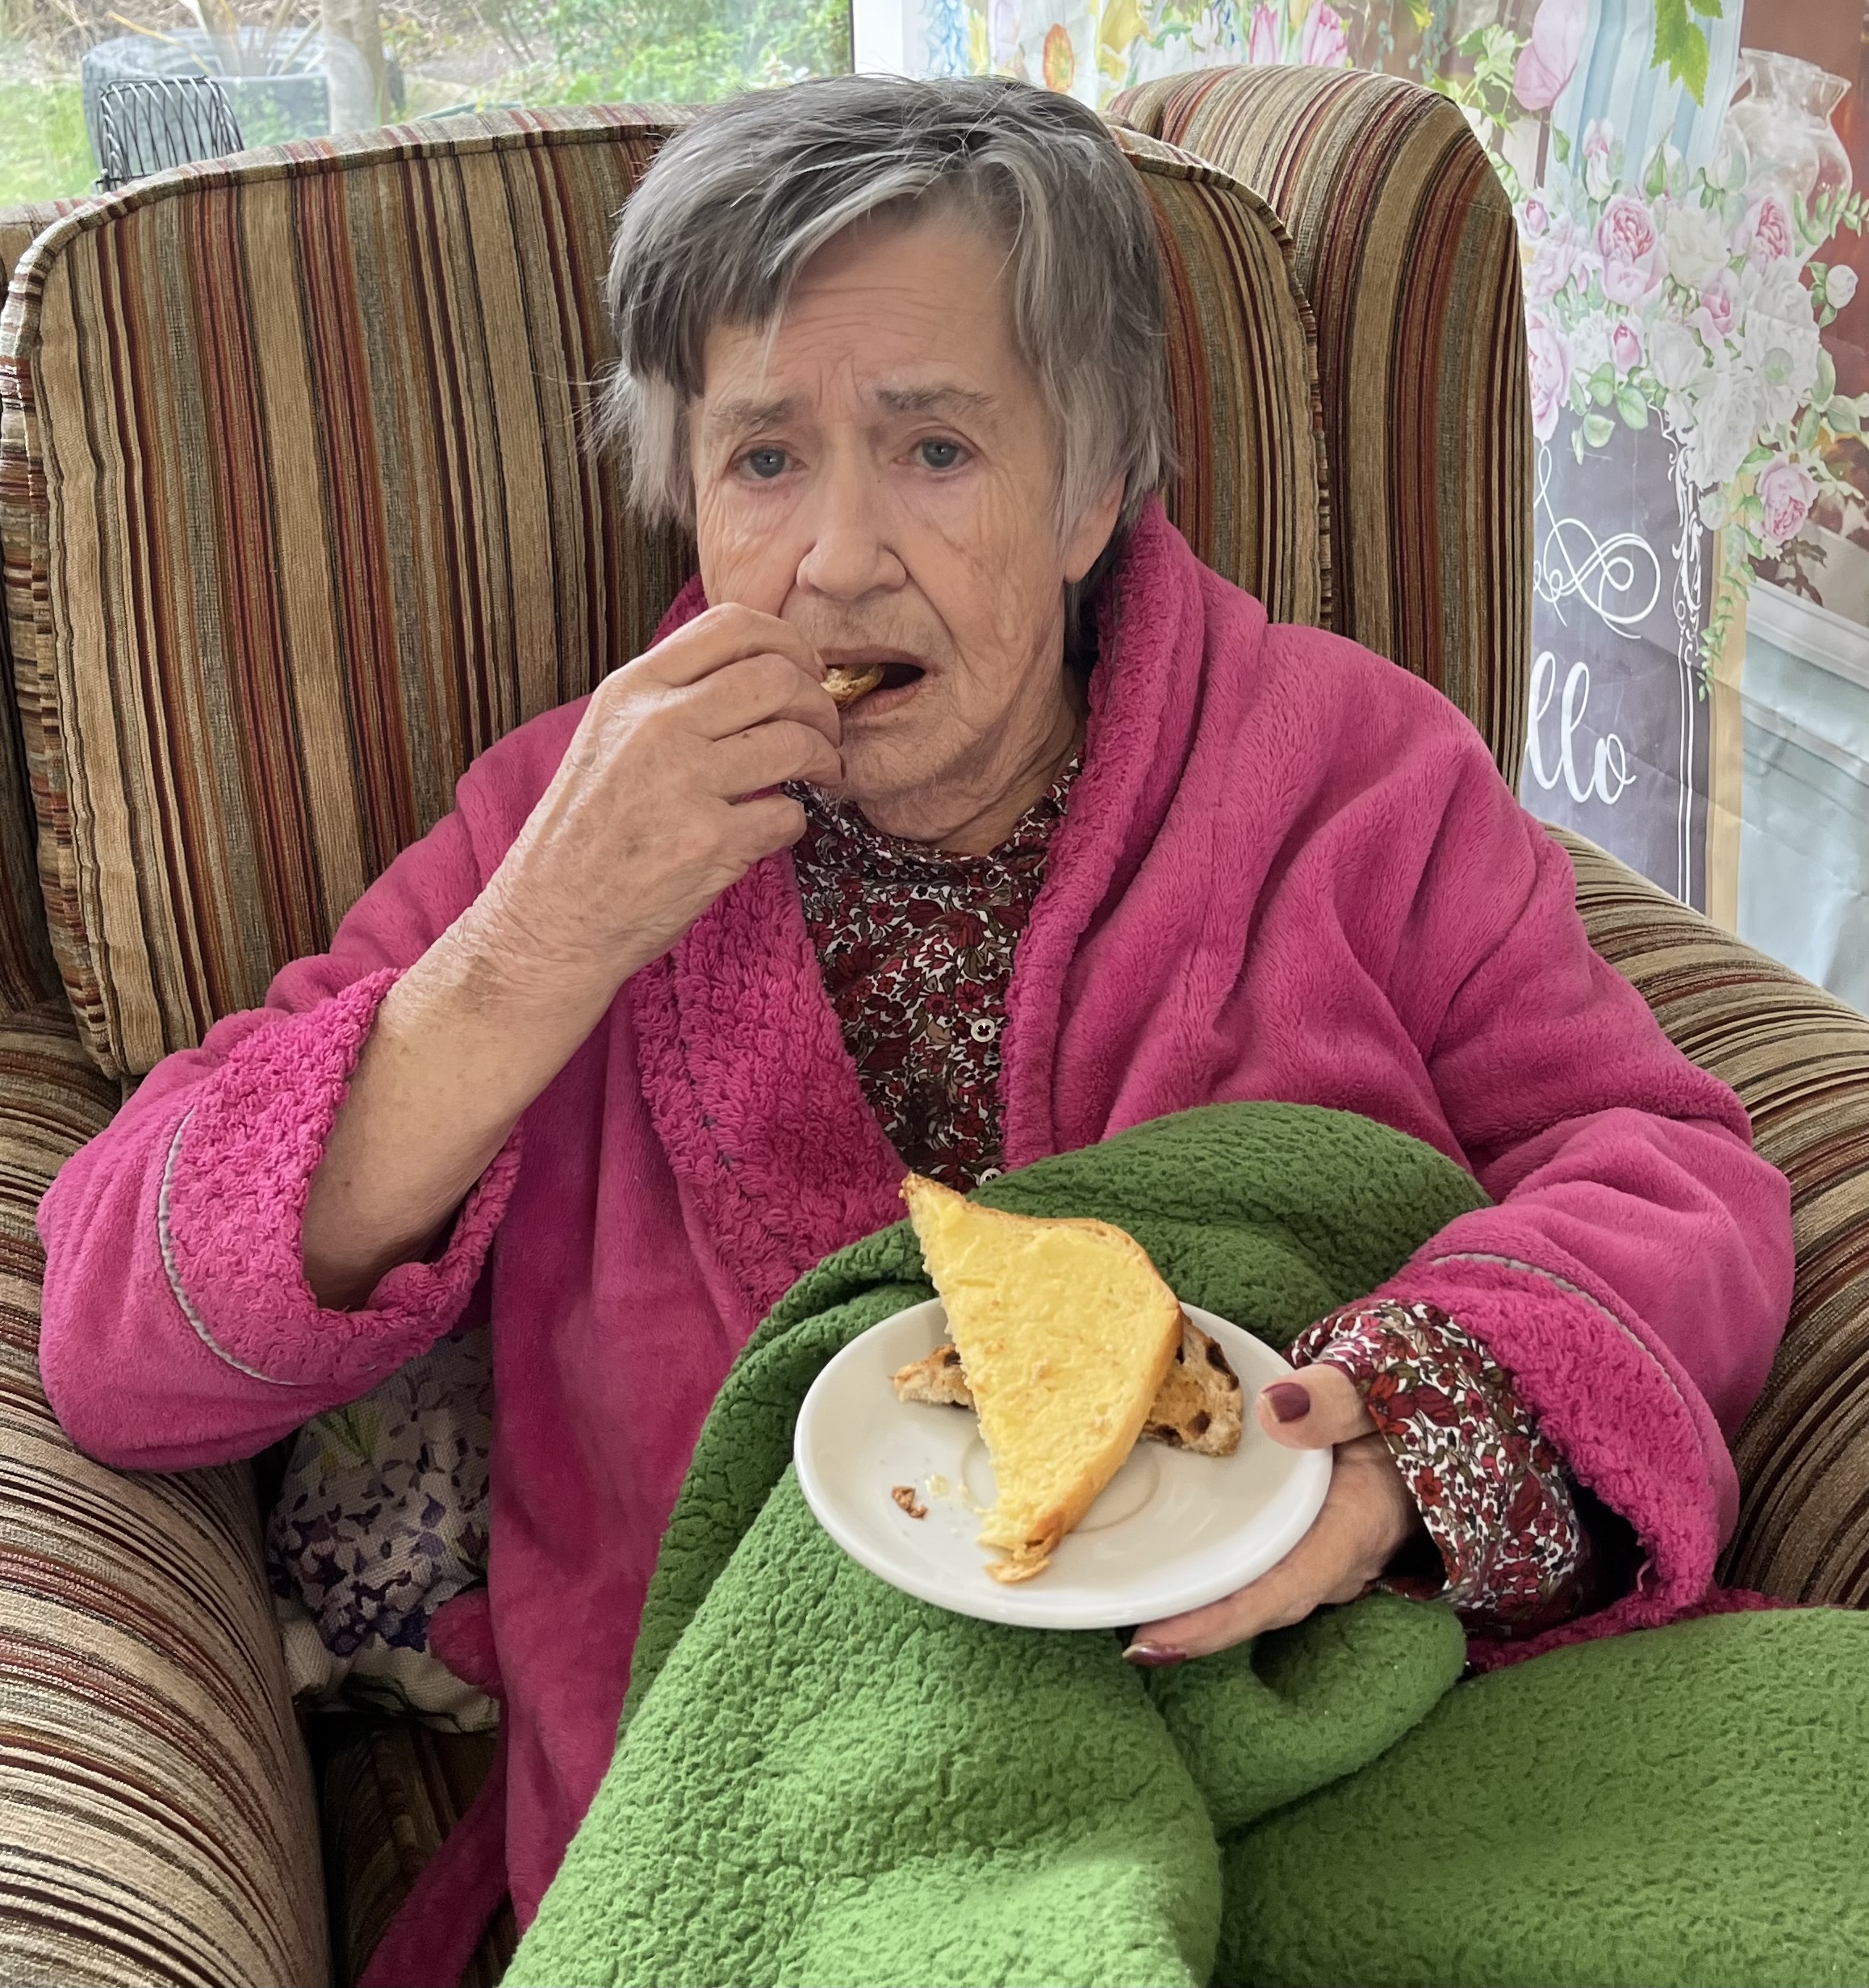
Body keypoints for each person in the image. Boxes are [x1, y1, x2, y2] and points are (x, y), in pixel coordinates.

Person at [36, 72, 1792, 1984]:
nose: (834, 560)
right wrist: (532, 949)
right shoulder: (556, 828)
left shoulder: (1356, 775)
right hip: (792, 1817)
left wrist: (1406, 1438)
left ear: (1092, 486)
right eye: (762, 459)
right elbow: (121, 1338)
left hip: (1331, 1736)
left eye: (935, 449)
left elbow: (1675, 1167)